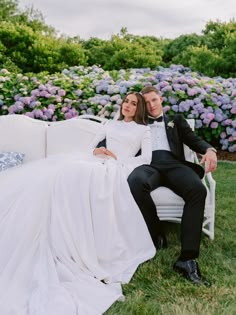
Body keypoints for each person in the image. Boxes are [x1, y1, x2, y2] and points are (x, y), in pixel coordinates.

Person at [0, 92, 156, 315]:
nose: (127, 106)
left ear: (139, 108)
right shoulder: (110, 124)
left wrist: (117, 160)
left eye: (133, 104)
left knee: (83, 174)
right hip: (95, 160)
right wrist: (97, 151)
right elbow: (90, 148)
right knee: (66, 170)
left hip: (115, 166)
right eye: (126, 101)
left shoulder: (143, 130)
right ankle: (55, 227)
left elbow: (146, 159)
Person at [128, 86, 217, 286]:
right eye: (146, 102)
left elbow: (193, 139)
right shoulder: (137, 122)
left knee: (197, 190)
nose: (151, 106)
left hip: (174, 164)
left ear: (161, 100)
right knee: (135, 181)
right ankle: (156, 233)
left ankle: (187, 259)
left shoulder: (175, 121)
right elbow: (117, 135)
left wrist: (209, 150)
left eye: (154, 100)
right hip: (148, 165)